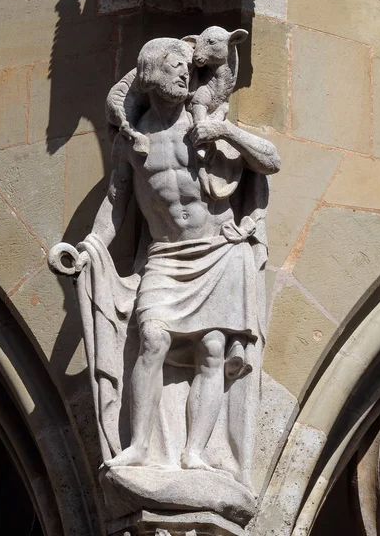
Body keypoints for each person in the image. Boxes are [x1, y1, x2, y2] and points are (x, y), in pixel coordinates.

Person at [82, 36, 281, 471]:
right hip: (166, 256)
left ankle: (195, 452)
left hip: (217, 251)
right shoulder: (131, 141)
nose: (183, 72)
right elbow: (116, 202)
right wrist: (89, 248)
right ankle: (139, 446)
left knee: (212, 350)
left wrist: (224, 130)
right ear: (150, 73)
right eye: (174, 66)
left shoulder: (206, 124)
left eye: (186, 67)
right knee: (151, 338)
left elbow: (272, 160)